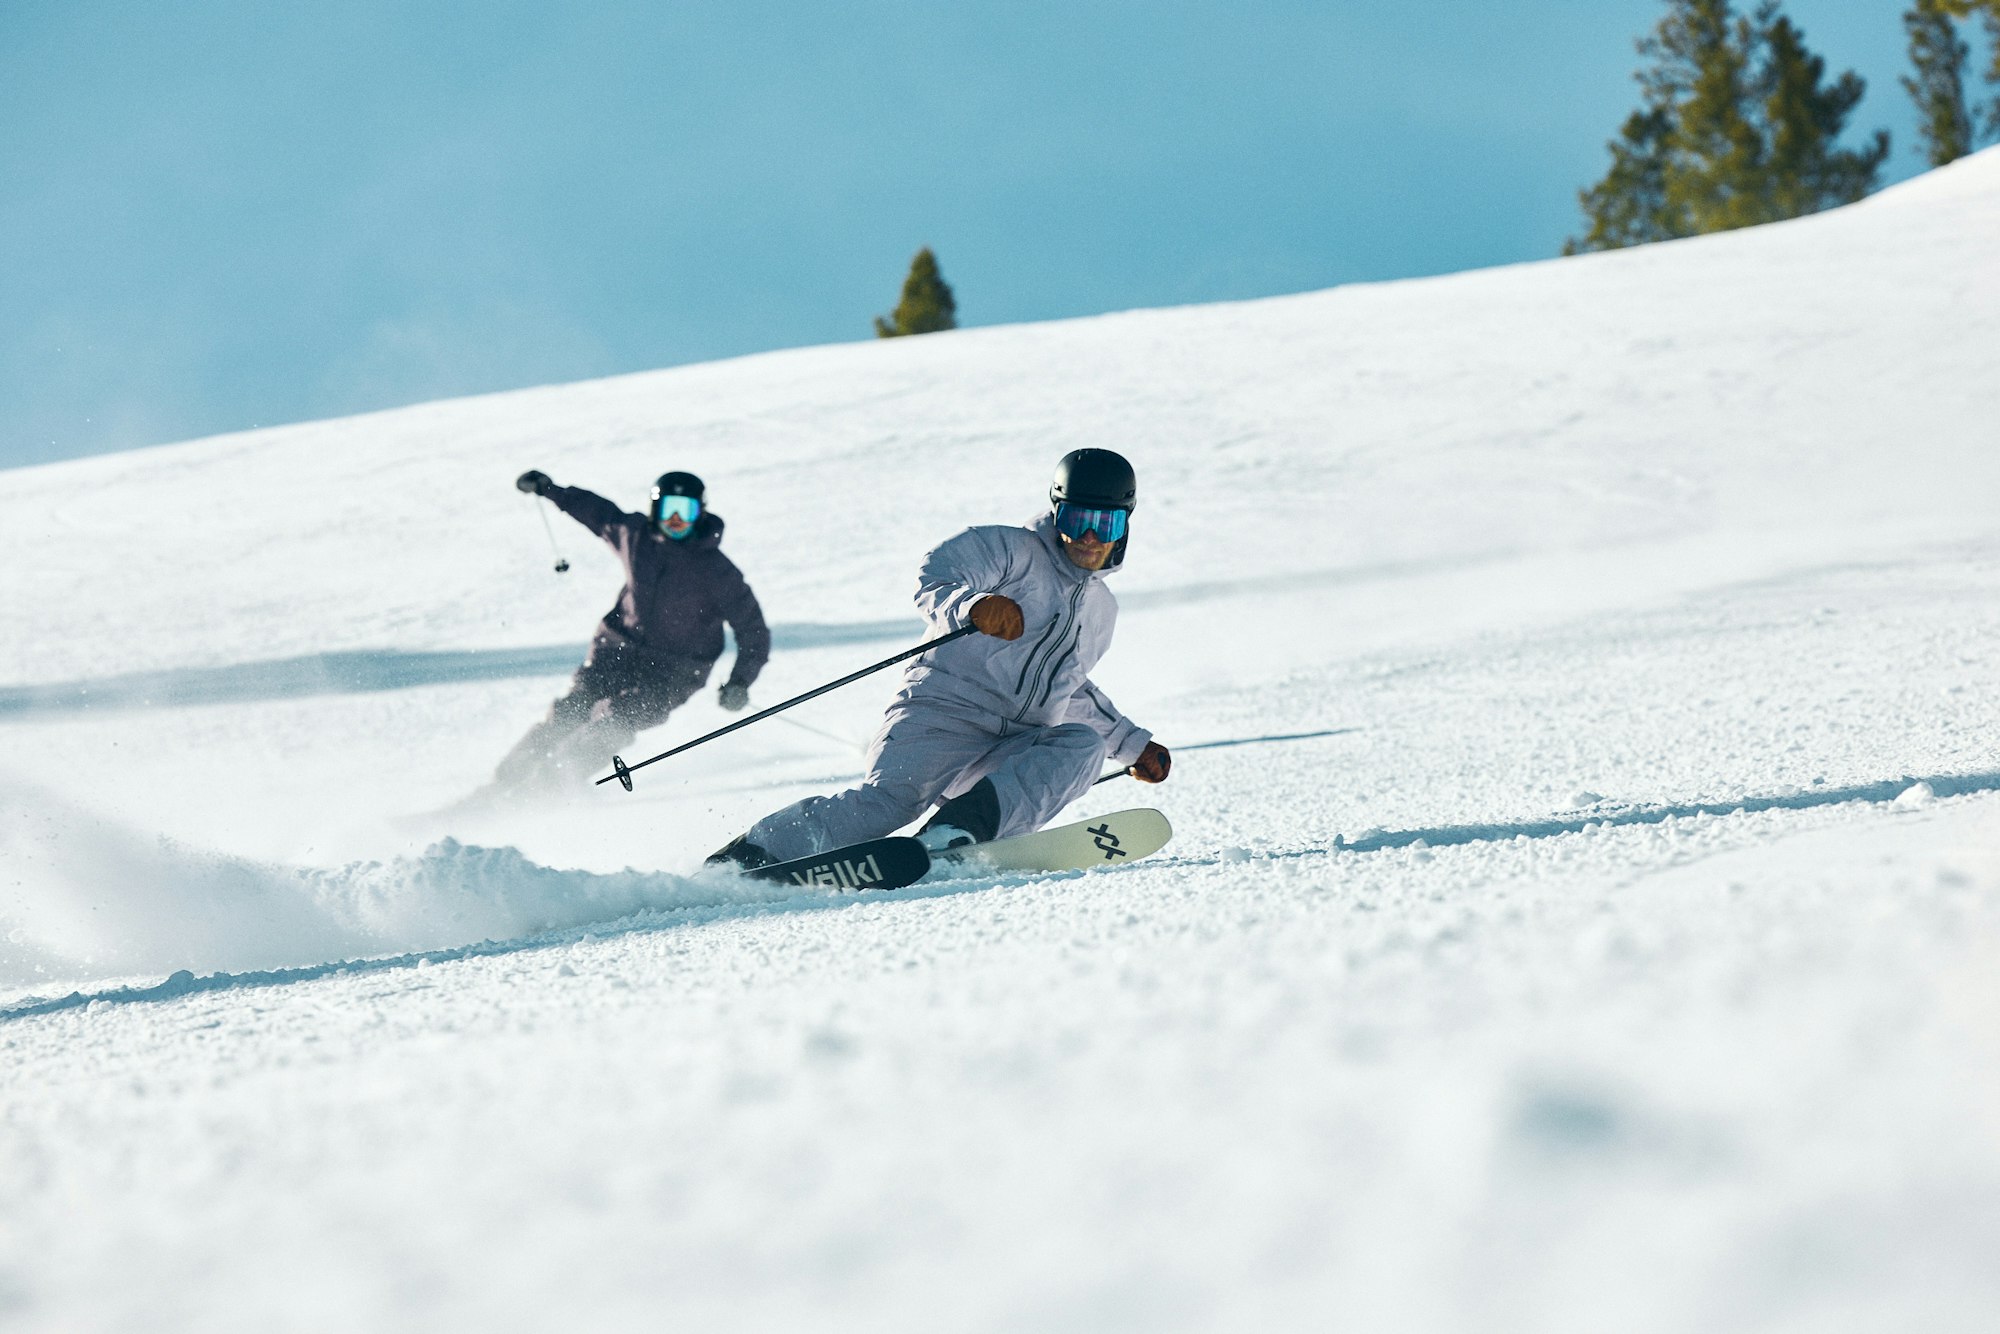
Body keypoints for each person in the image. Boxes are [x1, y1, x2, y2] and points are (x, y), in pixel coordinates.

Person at [708, 448, 1169, 868]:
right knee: (888, 805)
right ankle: (751, 855)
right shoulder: (1010, 550)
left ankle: (955, 835)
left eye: (1105, 524)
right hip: (941, 717)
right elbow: (938, 576)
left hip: (1011, 749)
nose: (1088, 536)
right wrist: (973, 606)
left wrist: (1132, 745)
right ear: (1056, 511)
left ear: (1124, 525)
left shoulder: (1102, 611)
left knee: (1082, 746)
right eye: (1076, 518)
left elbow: (1070, 689)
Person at [492, 468, 769, 795]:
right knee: (574, 708)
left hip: (673, 673)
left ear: (701, 514)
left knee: (616, 720)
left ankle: (547, 788)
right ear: (655, 510)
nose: (676, 520)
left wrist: (740, 681)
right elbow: (599, 513)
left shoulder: (717, 571)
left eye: (686, 512)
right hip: (617, 651)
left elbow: (753, 631)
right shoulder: (637, 538)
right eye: (669, 510)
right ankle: (505, 781)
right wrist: (549, 489)